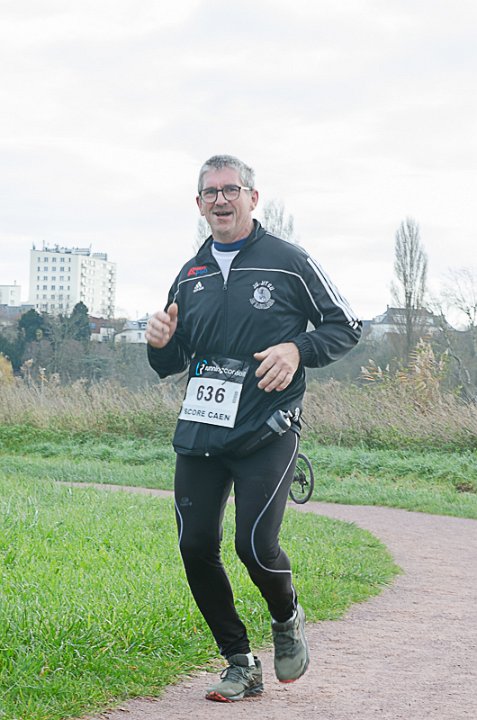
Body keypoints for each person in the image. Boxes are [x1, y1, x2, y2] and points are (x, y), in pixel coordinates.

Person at [146, 154, 361, 703]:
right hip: (202, 430)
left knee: (255, 545)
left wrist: (298, 348)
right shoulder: (190, 274)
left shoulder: (288, 261)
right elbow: (171, 362)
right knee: (195, 545)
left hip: (268, 427)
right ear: (199, 204)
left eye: (231, 189)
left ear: (252, 197)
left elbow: (345, 325)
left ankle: (286, 617)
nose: (221, 200)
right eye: (210, 192)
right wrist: (160, 343)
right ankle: (240, 663)